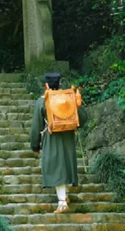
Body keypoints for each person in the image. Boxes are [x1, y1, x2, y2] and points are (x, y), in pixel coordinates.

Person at [30, 72, 86, 214]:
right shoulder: (69, 98)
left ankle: (62, 202)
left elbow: (36, 126)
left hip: (51, 136)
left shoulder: (42, 101)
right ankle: (65, 195)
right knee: (65, 165)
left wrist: (35, 145)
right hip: (68, 137)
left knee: (56, 167)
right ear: (60, 83)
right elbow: (83, 118)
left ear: (46, 85)